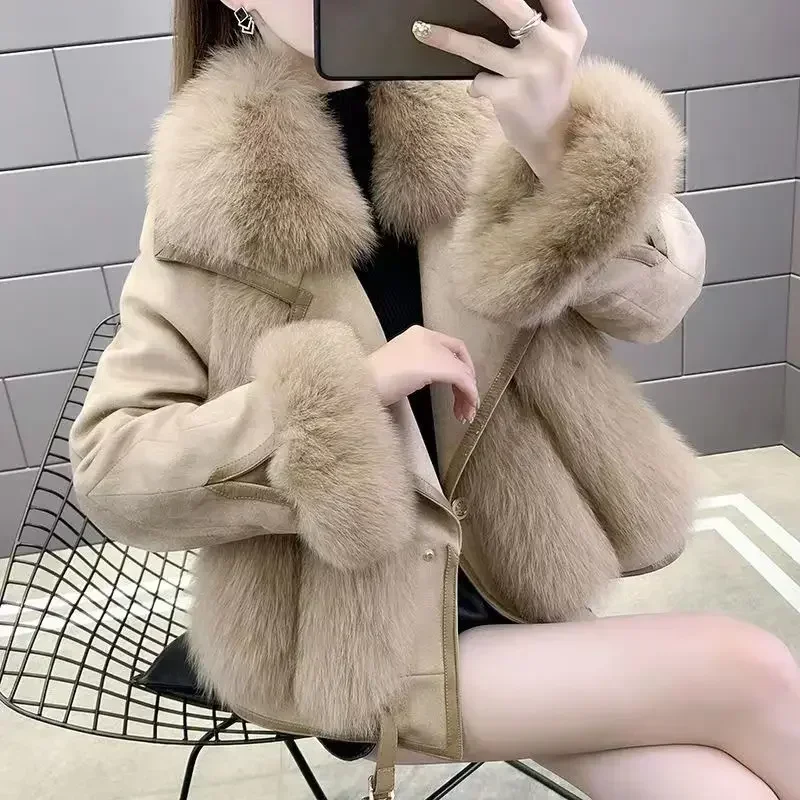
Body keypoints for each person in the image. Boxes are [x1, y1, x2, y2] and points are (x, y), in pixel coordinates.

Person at [68, 1, 800, 798]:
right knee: (750, 668)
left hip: (516, 579)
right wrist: (341, 397)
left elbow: (656, 307)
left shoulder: (485, 110)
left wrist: (558, 147)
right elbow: (113, 465)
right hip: (357, 645)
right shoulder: (205, 191)